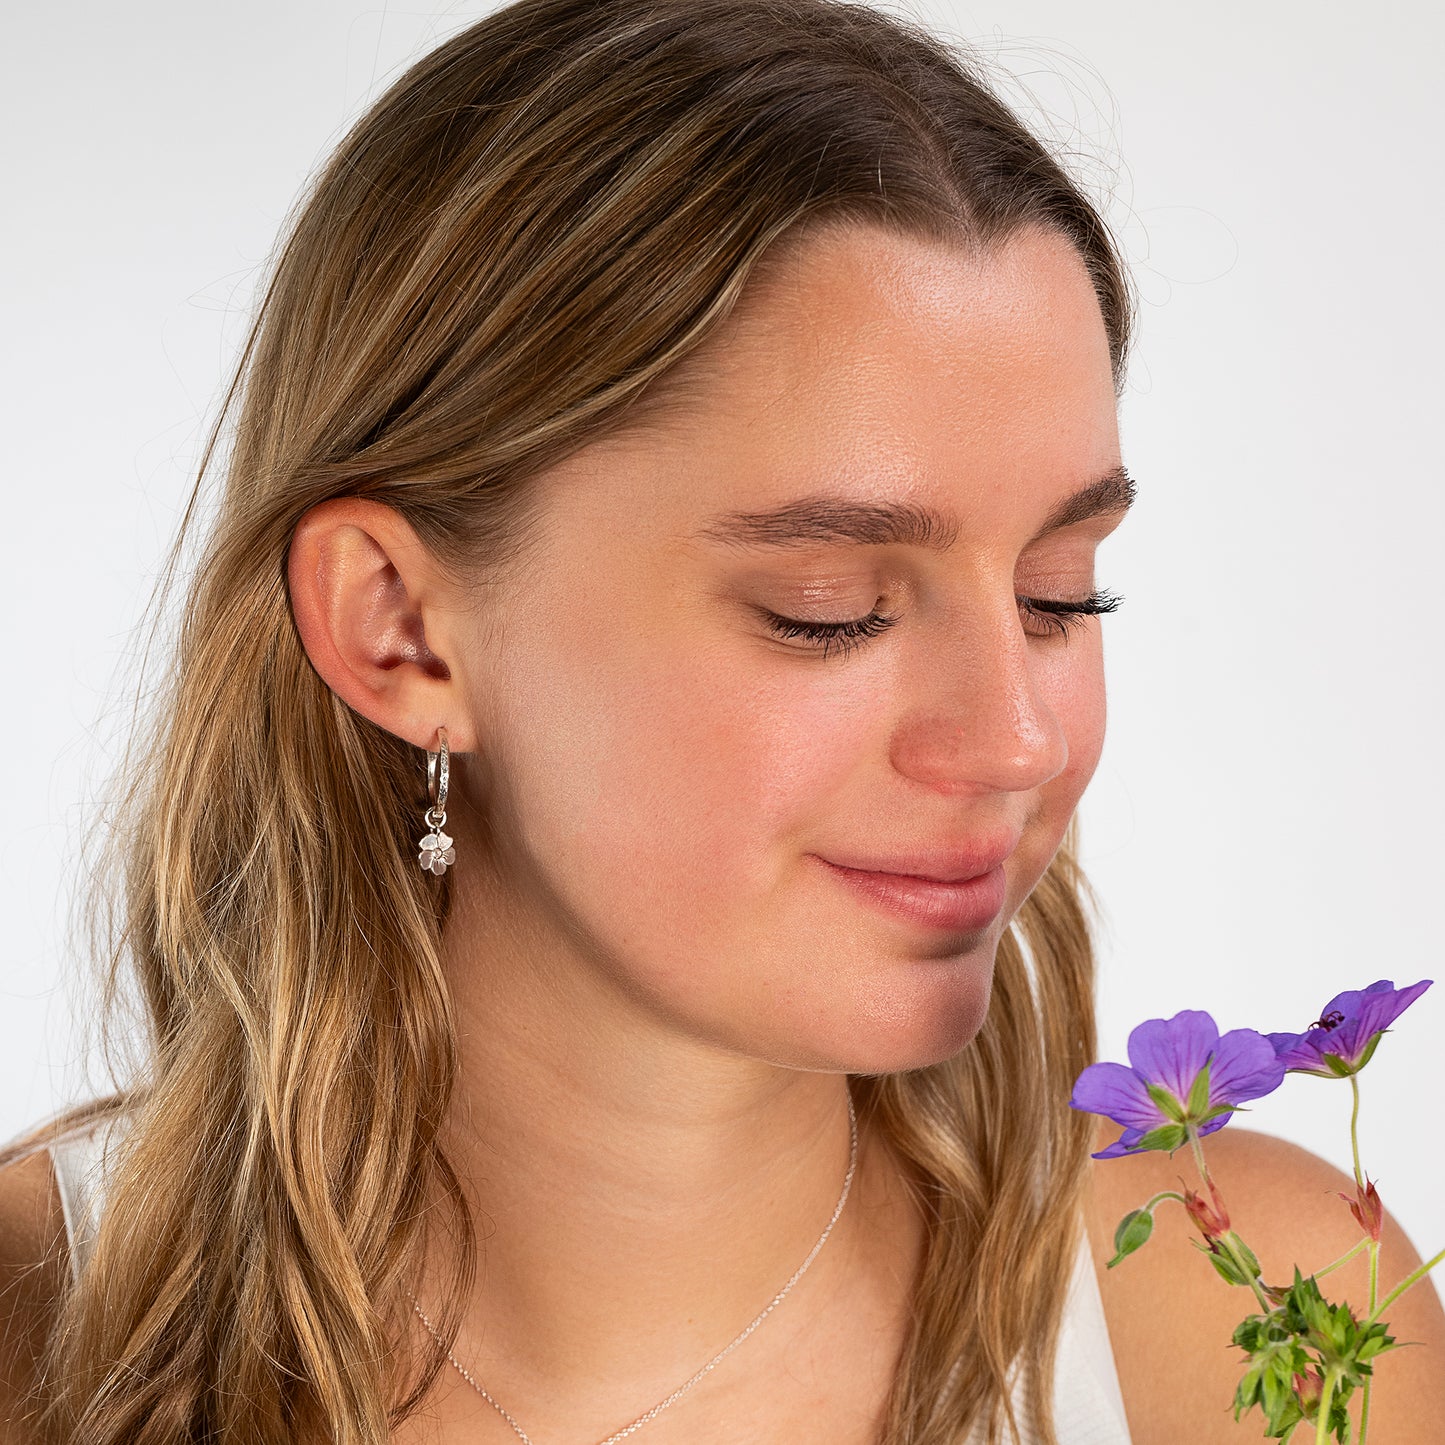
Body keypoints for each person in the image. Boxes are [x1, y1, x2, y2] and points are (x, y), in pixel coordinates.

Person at [2, 1, 1442, 1441]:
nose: (1013, 740)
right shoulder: (33, 1332)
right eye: (828, 607)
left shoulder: (1260, 1320)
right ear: (399, 626)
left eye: (1060, 594)